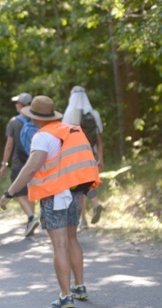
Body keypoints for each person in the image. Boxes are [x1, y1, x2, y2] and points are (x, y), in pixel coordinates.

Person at [0, 96, 101, 308]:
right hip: (75, 193)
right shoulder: (70, 130)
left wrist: (10, 193)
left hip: (55, 195)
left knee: (60, 244)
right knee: (72, 239)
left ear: (35, 118)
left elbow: (31, 168)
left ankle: (66, 296)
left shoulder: (42, 136)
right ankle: (80, 287)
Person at [62, 85, 105, 229]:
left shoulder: (68, 114)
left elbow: (65, 140)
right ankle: (95, 203)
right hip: (90, 155)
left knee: (78, 188)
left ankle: (83, 220)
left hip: (75, 157)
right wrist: (100, 159)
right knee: (87, 183)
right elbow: (99, 140)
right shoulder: (94, 114)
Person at [0, 92, 39, 237]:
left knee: (18, 193)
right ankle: (31, 221)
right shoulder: (37, 120)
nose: (16, 105)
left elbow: (9, 146)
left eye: (17, 103)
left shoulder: (14, 122)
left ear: (22, 106)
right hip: (35, 160)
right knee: (31, 192)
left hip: (19, 162)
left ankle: (31, 217)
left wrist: (4, 163)